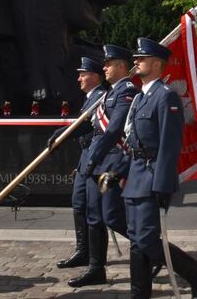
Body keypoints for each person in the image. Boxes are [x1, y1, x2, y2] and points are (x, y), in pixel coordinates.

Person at [122, 38, 197, 299]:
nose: (136, 61)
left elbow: (170, 144)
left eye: (141, 58)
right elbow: (132, 140)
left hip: (151, 176)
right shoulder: (140, 97)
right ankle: (139, 294)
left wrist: (162, 184)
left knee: (147, 240)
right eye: (136, 57)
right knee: (137, 240)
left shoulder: (166, 96)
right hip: (135, 175)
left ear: (157, 63)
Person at [71, 45, 138, 287]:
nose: (104, 68)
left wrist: (92, 159)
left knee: (112, 216)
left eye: (108, 64)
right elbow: (93, 127)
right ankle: (96, 268)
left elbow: (114, 130)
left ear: (121, 65)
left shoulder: (127, 91)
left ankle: (150, 249)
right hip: (99, 164)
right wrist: (62, 134)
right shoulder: (110, 92)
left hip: (111, 164)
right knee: (93, 216)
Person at [47, 57, 108, 269]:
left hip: (94, 158)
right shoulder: (90, 97)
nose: (79, 78)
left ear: (95, 76)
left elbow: (88, 126)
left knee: (94, 210)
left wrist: (62, 134)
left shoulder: (101, 97)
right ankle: (83, 251)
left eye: (83, 74)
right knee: (79, 204)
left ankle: (95, 257)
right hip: (85, 157)